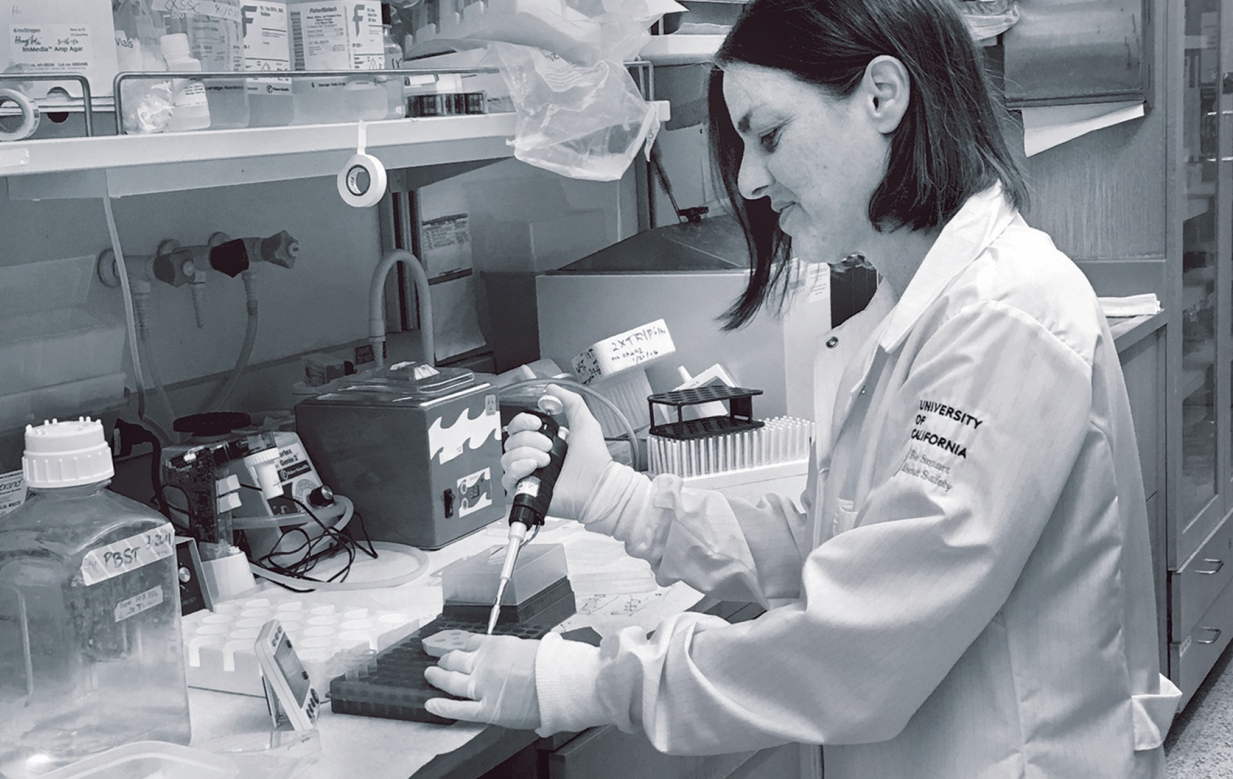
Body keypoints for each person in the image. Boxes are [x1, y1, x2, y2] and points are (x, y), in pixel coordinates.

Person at [423, 0, 1182, 773]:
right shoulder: (907, 304)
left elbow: (861, 648)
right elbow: (839, 538)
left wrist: (581, 682)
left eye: (770, 134)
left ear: (882, 96)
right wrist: (617, 498)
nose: (750, 179)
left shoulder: (1004, 317)